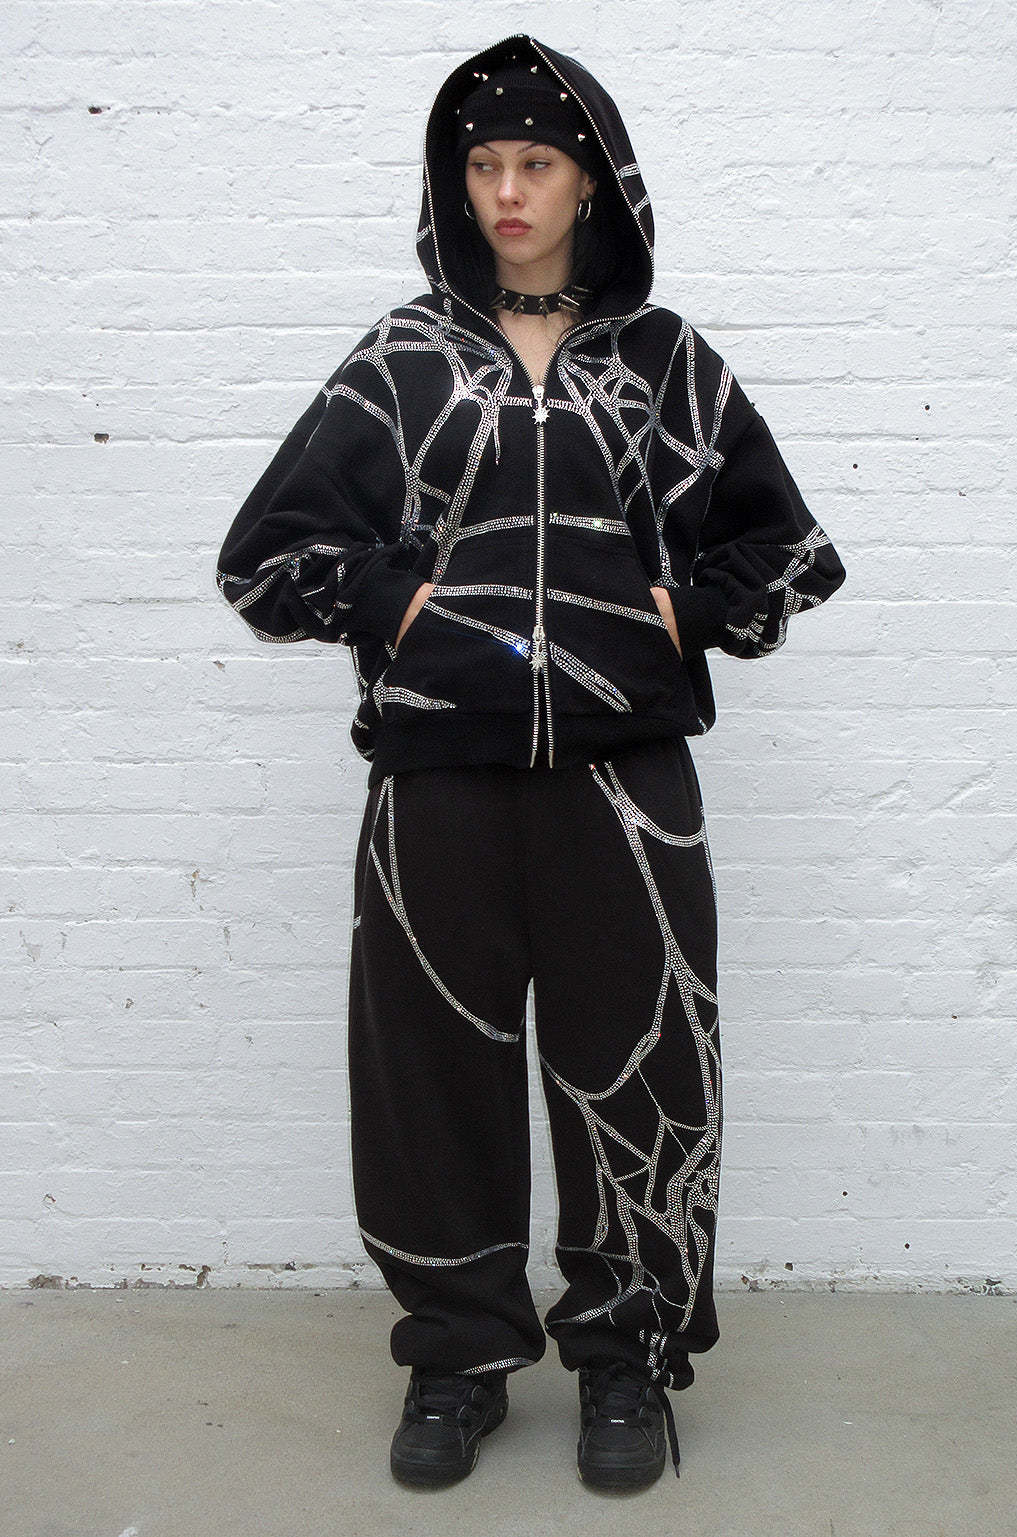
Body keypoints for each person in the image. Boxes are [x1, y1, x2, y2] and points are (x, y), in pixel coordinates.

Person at [215, 33, 846, 1494]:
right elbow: (268, 559)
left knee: (643, 1068)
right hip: (436, 783)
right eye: (484, 165)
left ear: (591, 182)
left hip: (625, 787)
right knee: (431, 1073)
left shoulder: (665, 363)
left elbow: (790, 550)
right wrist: (399, 603)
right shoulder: (404, 362)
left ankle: (627, 1358)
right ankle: (456, 1358)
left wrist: (675, 611)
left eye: (538, 164)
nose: (508, 192)